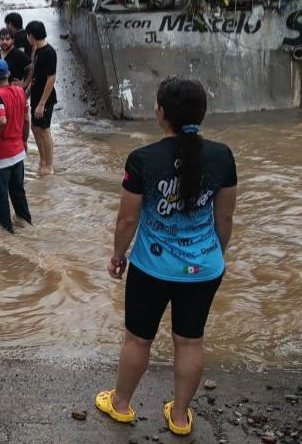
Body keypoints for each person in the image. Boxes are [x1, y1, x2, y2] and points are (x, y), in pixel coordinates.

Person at [95, 77, 237, 437]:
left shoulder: (143, 160)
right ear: (201, 113)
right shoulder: (222, 156)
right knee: (190, 341)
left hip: (151, 268)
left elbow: (127, 219)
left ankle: (122, 405)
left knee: (138, 339)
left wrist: (117, 255)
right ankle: (179, 417)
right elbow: (224, 218)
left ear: (161, 113)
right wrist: (214, 256)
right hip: (203, 268)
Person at [0, 59, 32, 234]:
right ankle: (26, 223)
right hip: (18, 152)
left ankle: (7, 234)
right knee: (18, 191)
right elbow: (26, 120)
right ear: (8, 74)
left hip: (1, 157)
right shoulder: (20, 92)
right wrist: (25, 140)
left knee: (0, 196)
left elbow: (1, 120)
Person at [25, 20, 57, 176]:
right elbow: (36, 74)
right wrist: (28, 90)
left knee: (44, 130)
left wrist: (42, 104)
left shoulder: (49, 52)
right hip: (36, 96)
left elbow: (51, 78)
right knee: (35, 127)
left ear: (31, 35)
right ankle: (42, 160)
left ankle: (49, 166)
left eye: (28, 35)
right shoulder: (37, 49)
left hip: (45, 99)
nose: (27, 38)